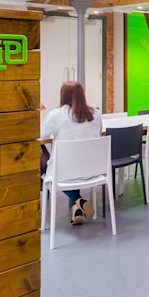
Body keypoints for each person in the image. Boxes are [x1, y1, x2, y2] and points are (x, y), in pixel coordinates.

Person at [40, 81, 102, 226]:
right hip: (91, 170)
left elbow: (41, 135)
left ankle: (80, 201)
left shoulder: (57, 115)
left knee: (52, 174)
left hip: (67, 172)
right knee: (72, 166)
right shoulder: (96, 114)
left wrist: (42, 112)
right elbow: (99, 133)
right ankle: (77, 208)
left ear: (63, 96)